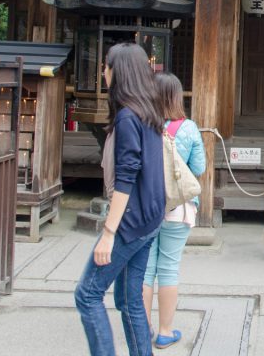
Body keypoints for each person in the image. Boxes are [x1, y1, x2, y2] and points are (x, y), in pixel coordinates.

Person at [74, 42, 165, 356]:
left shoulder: (128, 117)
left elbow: (126, 178)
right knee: (129, 300)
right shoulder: (150, 111)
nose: (103, 71)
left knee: (87, 294)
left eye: (106, 65)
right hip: (150, 217)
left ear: (119, 72)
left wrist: (108, 234)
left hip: (130, 222)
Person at [143, 71, 206, 350]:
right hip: (177, 209)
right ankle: (166, 331)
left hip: (146, 207)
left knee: (145, 271)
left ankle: (142, 329)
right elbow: (200, 169)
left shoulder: (143, 124)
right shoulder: (189, 128)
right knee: (168, 269)